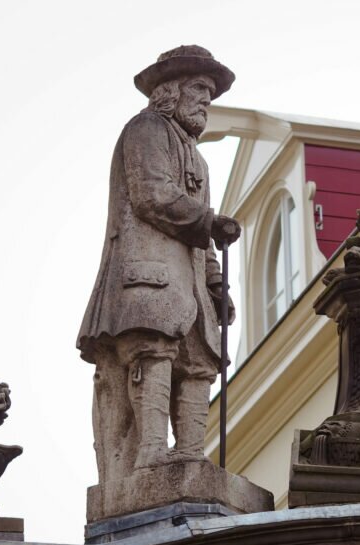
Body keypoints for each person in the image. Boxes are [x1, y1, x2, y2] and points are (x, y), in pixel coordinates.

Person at [77, 46, 241, 483]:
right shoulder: (146, 129)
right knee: (154, 353)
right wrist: (210, 221)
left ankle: (190, 454)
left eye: (210, 92)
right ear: (171, 91)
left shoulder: (200, 159)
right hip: (148, 275)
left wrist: (215, 281)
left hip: (188, 287)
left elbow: (203, 235)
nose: (207, 100)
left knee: (199, 364)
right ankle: (150, 453)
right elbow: (152, 195)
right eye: (200, 89)